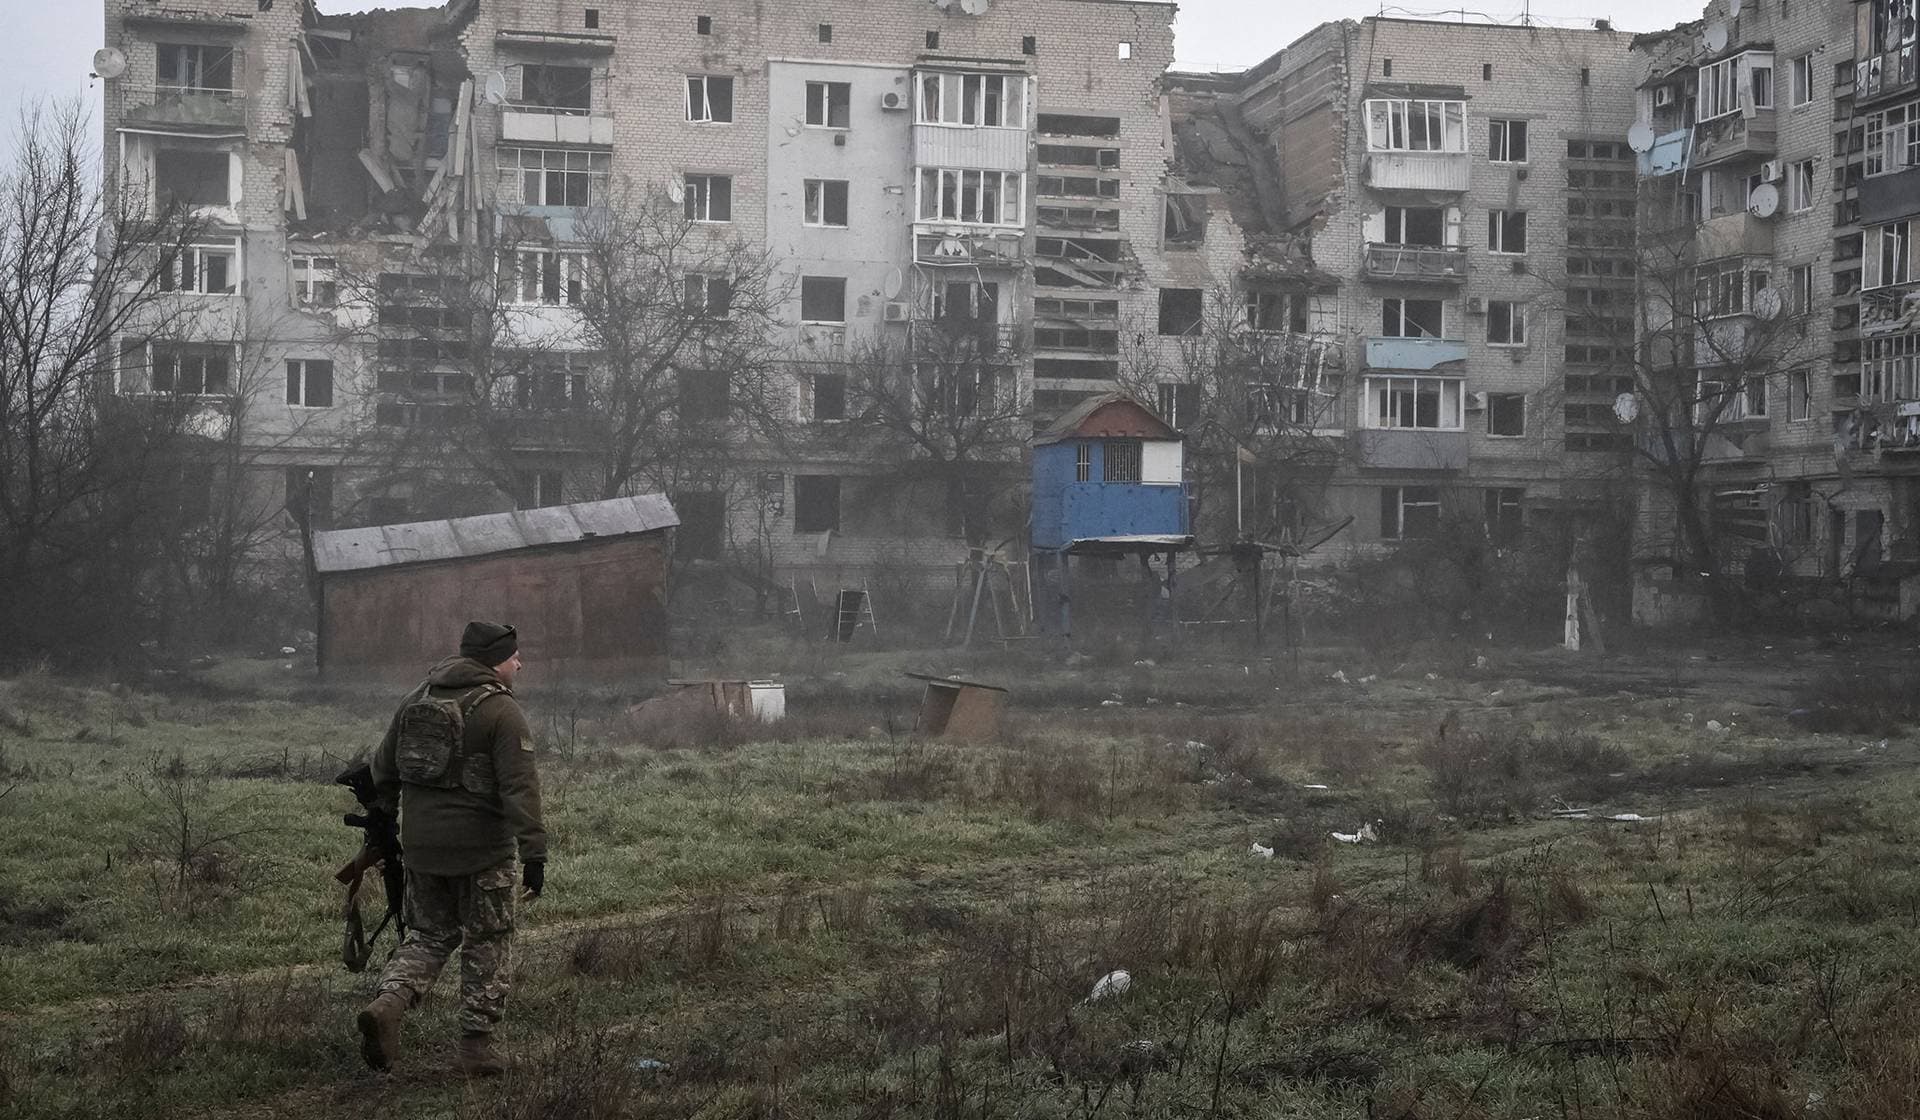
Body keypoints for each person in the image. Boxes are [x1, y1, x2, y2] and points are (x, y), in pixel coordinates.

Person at [355, 621, 546, 1077]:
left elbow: (382, 771)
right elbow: (519, 788)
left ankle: (389, 1003)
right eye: (514, 656)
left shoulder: (417, 698)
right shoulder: (500, 710)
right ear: (494, 661)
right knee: (487, 941)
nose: (519, 663)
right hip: (482, 854)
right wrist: (534, 853)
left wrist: (384, 828)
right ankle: (476, 1049)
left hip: (421, 850)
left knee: (427, 936)